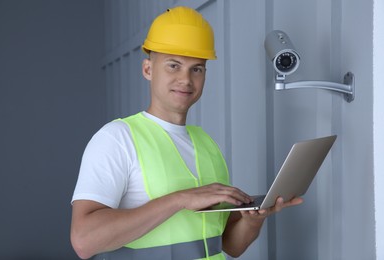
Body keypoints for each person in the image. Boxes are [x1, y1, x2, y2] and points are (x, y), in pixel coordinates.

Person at [70, 6, 303, 260]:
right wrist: (179, 200)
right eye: (174, 65)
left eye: (197, 69)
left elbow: (229, 246)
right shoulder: (117, 138)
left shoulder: (206, 144)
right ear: (148, 69)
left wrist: (253, 219)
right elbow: (84, 241)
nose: (186, 79)